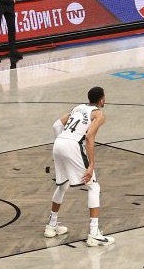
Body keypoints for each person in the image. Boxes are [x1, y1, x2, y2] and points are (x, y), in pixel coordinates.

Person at [46, 86, 114, 246]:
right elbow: (90, 136)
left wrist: (62, 143)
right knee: (93, 187)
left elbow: (56, 125)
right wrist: (91, 165)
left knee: (62, 185)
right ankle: (94, 234)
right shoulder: (99, 114)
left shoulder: (77, 108)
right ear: (102, 99)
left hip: (59, 142)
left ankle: (51, 226)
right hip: (73, 145)